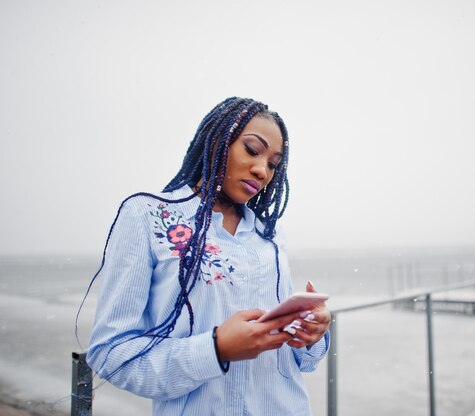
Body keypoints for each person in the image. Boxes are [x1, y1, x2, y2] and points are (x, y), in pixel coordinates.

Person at [86, 97, 331, 415]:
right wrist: (215, 350)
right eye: (253, 150)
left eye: (273, 164)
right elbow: (111, 354)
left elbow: (296, 359)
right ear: (217, 140)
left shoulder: (268, 236)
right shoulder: (148, 216)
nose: (262, 171)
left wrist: (310, 333)